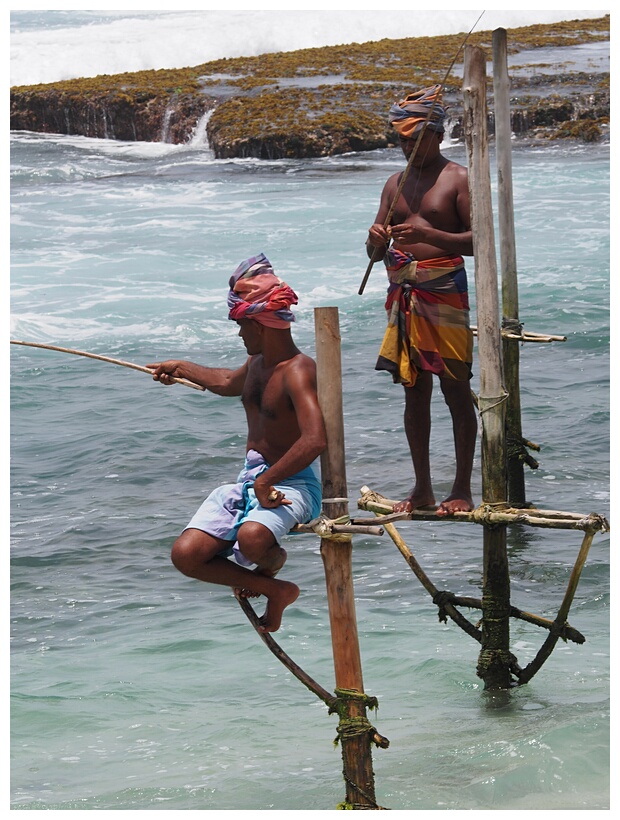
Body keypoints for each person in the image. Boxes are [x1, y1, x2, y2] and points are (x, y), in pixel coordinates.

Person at [147, 254, 326, 633]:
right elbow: (227, 382)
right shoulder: (258, 363)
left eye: (242, 326)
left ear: (260, 325)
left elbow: (315, 440)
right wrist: (179, 367)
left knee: (251, 537)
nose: (239, 334)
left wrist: (266, 483)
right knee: (187, 555)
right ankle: (275, 587)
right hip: (252, 481)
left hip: (293, 484)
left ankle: (270, 562)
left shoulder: (298, 369)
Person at [366, 84, 477, 517]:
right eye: (400, 139)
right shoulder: (394, 184)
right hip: (403, 293)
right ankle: (423, 488)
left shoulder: (459, 178)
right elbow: (374, 253)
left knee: (455, 387)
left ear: (438, 135)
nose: (406, 146)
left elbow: (478, 241)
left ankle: (462, 489)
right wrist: (374, 240)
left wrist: (430, 235)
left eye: (414, 138)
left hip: (444, 290)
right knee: (414, 391)